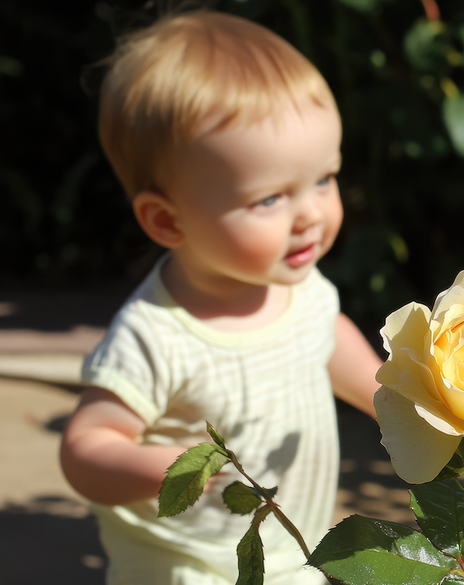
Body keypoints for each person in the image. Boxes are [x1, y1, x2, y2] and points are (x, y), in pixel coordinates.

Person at [59, 10, 383, 585]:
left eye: (322, 179)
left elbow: (330, 342)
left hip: (284, 552)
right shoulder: (156, 334)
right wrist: (152, 467)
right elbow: (84, 448)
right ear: (167, 220)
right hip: (186, 567)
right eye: (269, 199)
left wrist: (396, 396)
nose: (311, 214)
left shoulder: (302, 290)